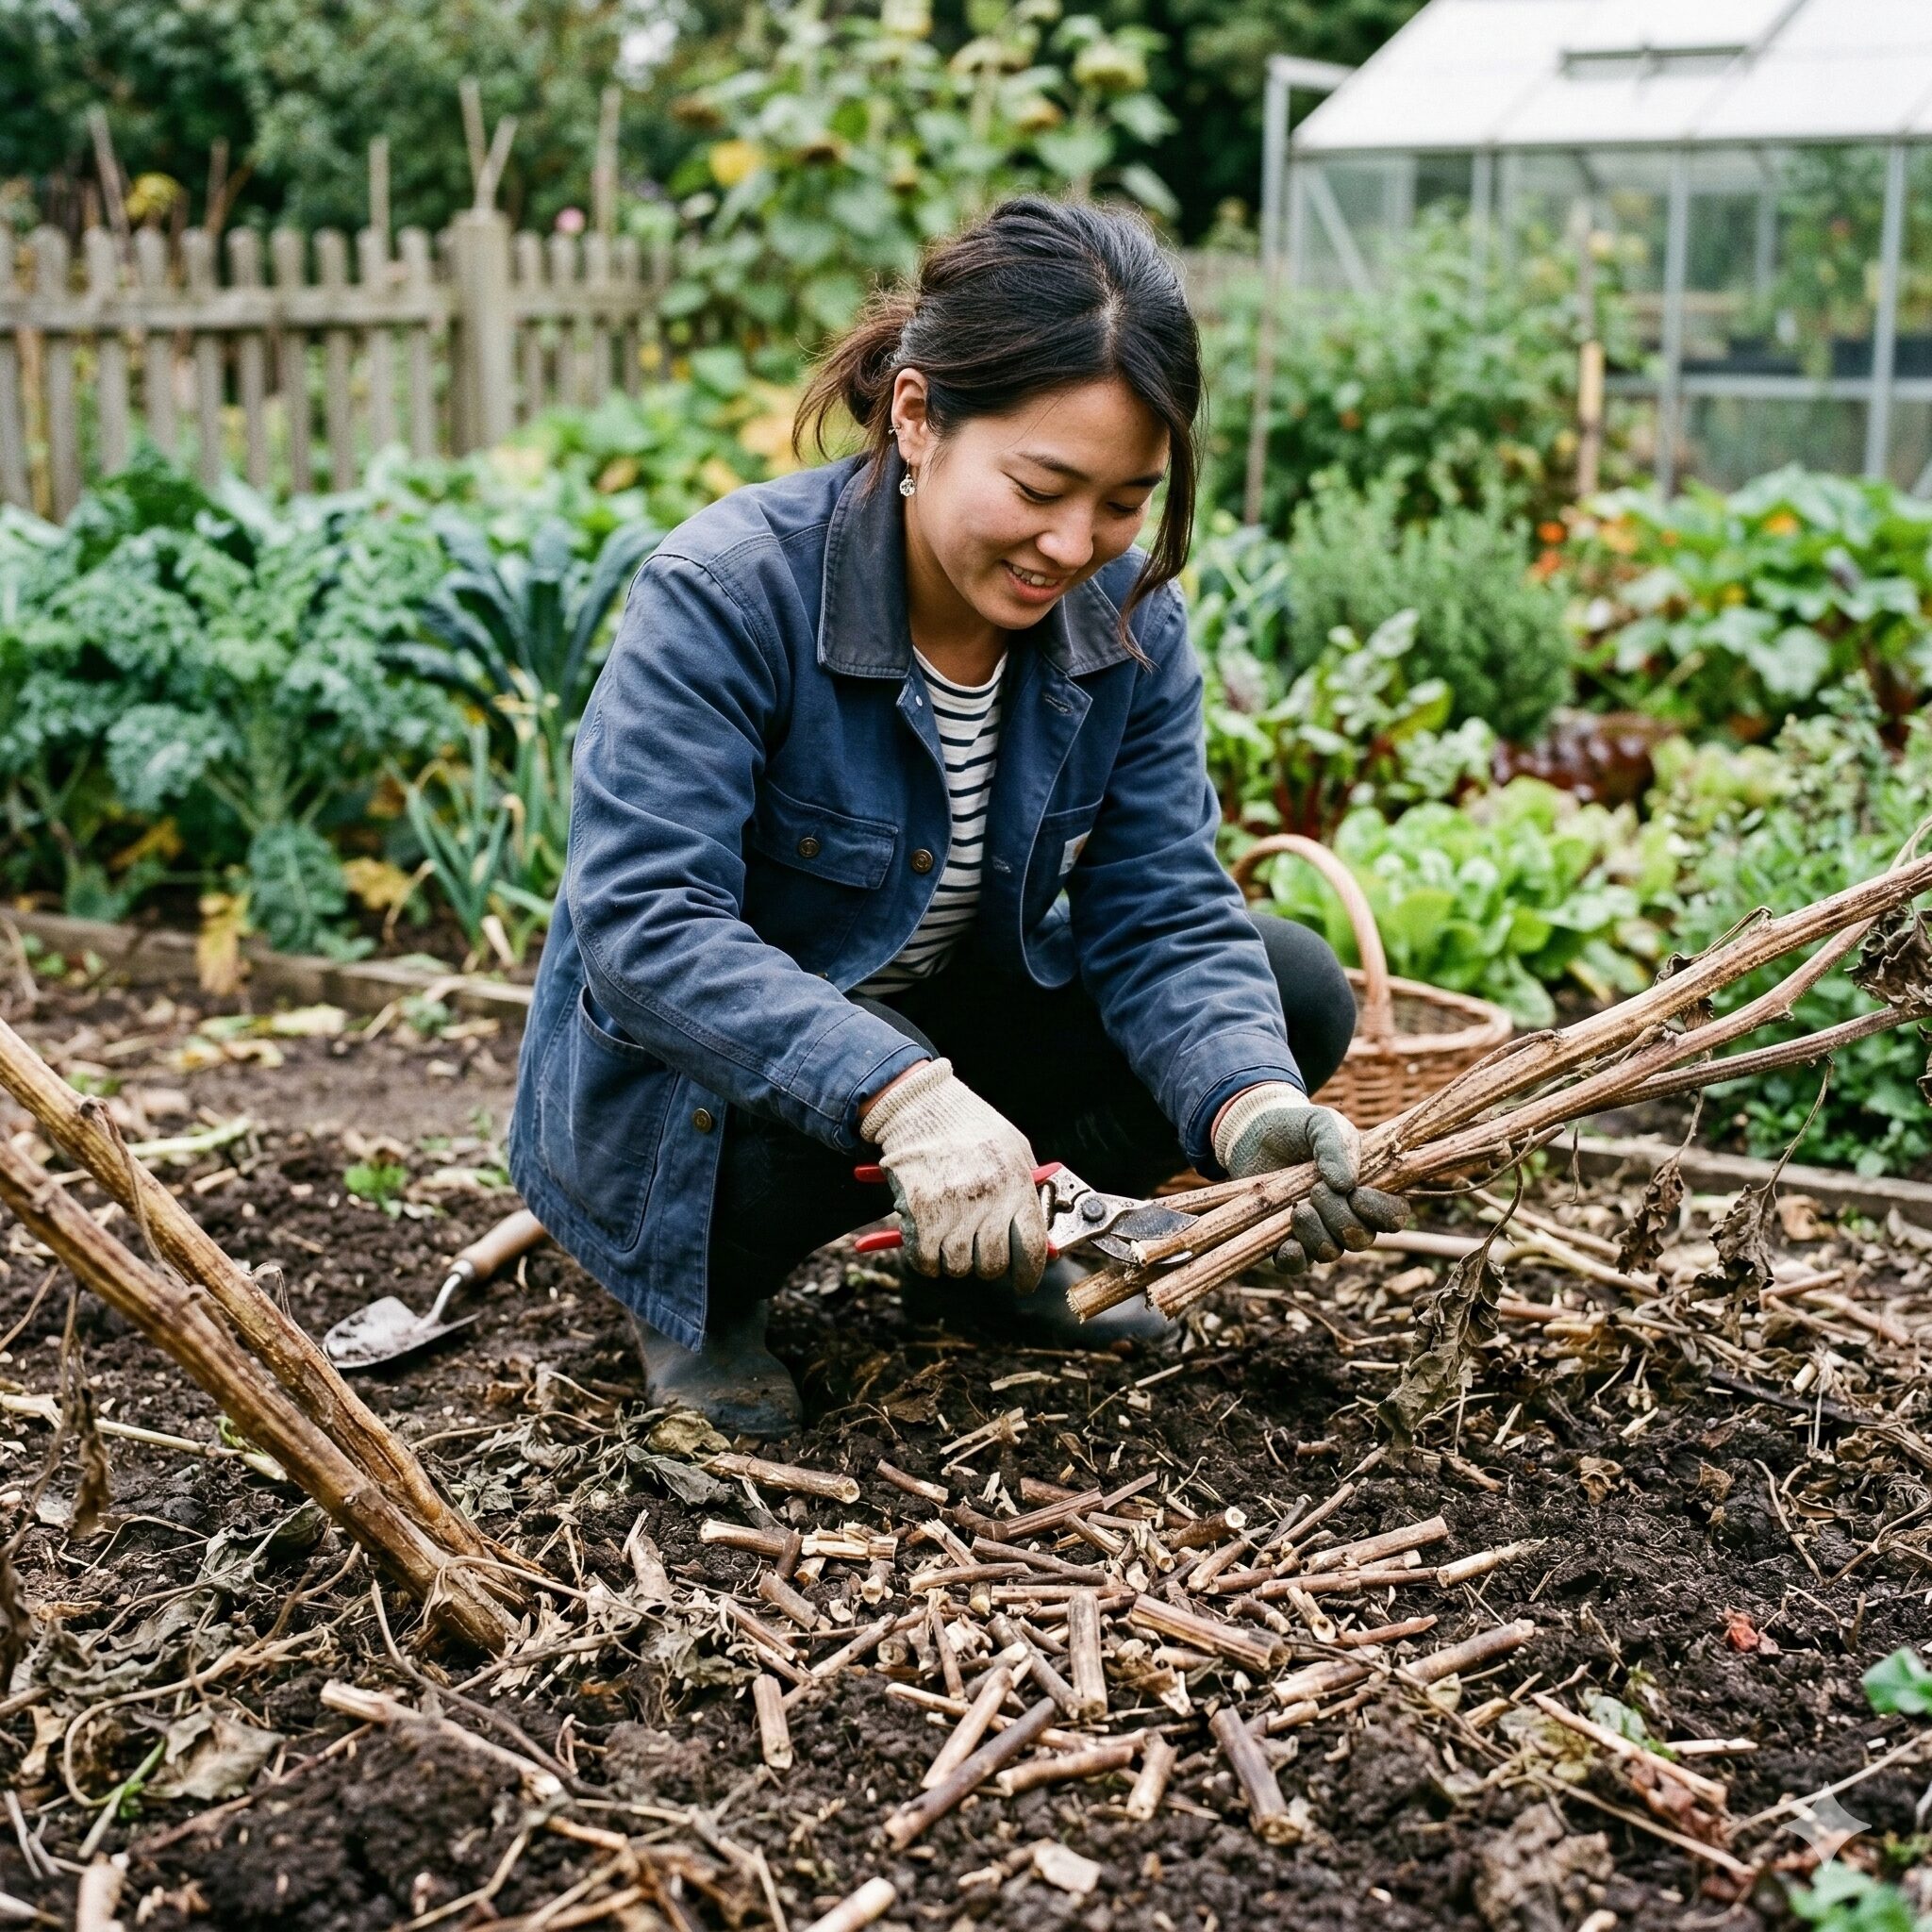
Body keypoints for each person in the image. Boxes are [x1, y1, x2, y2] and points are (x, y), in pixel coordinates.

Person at [508, 194, 1407, 1437]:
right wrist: (905, 1095)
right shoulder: (726, 595)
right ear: (919, 416)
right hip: (724, 1093)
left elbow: (1162, 908)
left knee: (1288, 987)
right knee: (818, 1068)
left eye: (1122, 501)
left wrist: (1249, 1108)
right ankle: (699, 1298)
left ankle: (991, 1259)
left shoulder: (1128, 631)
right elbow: (646, 933)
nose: (1073, 543)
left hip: (933, 1033)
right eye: (1041, 486)